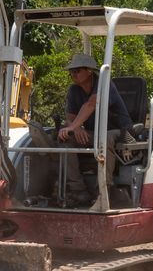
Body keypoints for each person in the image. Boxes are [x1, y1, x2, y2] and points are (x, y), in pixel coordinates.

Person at [56, 51, 132, 204]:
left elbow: (91, 104)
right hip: (96, 133)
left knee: (105, 138)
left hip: (121, 131)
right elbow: (70, 117)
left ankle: (103, 191)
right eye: (71, 71)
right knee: (65, 139)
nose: (73, 74)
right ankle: (78, 189)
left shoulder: (104, 84)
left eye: (77, 70)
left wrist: (74, 126)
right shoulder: (74, 90)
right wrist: (76, 128)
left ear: (89, 71)